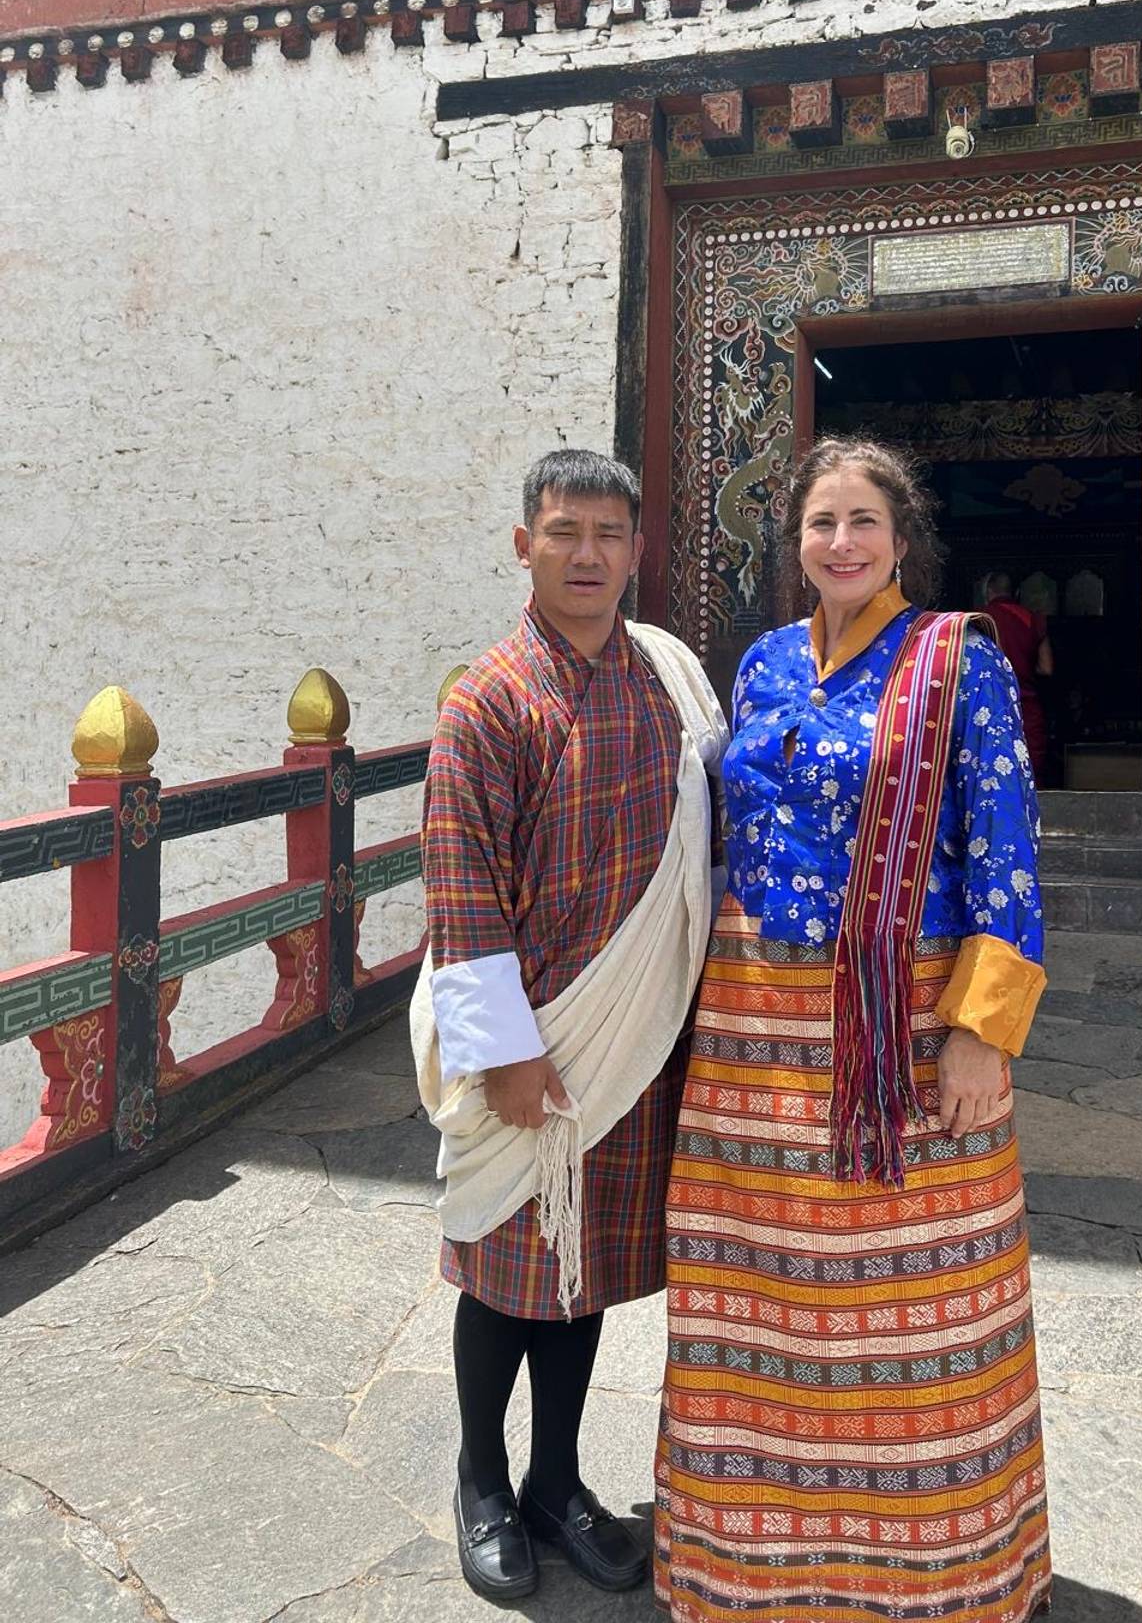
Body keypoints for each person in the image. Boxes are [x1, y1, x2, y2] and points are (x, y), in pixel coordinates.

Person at [655, 437, 1052, 1623]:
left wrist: (982, 1031)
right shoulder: (764, 663)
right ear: (796, 542)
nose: (841, 542)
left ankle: (937, 1575)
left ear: (901, 538)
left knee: (918, 1299)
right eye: (820, 522)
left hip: (904, 1018)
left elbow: (1006, 845)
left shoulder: (958, 661)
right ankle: (748, 1570)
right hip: (752, 1028)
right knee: (754, 1296)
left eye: (862, 521)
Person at [414, 448, 727, 1603]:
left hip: (631, 1037)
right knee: (503, 1269)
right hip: (534, 1044)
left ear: (638, 550)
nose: (586, 554)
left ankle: (555, 1482)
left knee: (576, 1273)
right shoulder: (489, 700)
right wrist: (504, 1054)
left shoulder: (669, 682)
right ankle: (481, 1479)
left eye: (607, 534)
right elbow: (460, 890)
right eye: (563, 532)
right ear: (523, 545)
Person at [982, 570, 1054, 785]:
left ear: (988, 592)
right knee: (1031, 772)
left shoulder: (980, 619)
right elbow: (1046, 668)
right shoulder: (1032, 619)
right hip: (1025, 704)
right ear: (1016, 593)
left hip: (989, 705)